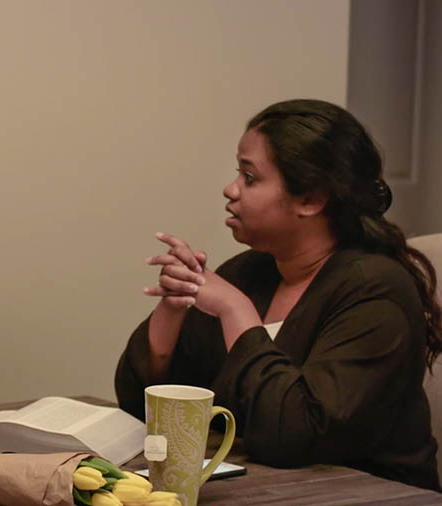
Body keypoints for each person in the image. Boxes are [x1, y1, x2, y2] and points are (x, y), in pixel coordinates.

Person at [114, 99, 442, 491]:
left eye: (249, 177)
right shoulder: (252, 270)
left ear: (311, 200)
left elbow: (296, 434)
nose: (230, 189)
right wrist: (174, 307)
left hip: (370, 495)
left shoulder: (376, 293)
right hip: (266, 486)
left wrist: (235, 310)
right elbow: (145, 410)